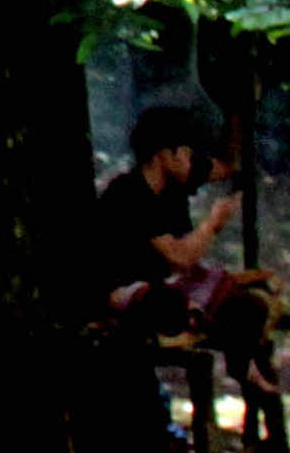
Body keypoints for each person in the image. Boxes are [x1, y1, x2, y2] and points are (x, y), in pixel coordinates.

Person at [99, 100, 279, 422]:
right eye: (186, 152)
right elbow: (180, 256)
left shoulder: (177, 180)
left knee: (250, 305)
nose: (193, 160)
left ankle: (243, 367)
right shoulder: (129, 194)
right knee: (166, 302)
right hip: (131, 291)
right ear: (164, 155)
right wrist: (213, 224)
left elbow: (227, 164)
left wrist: (237, 111)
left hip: (175, 285)